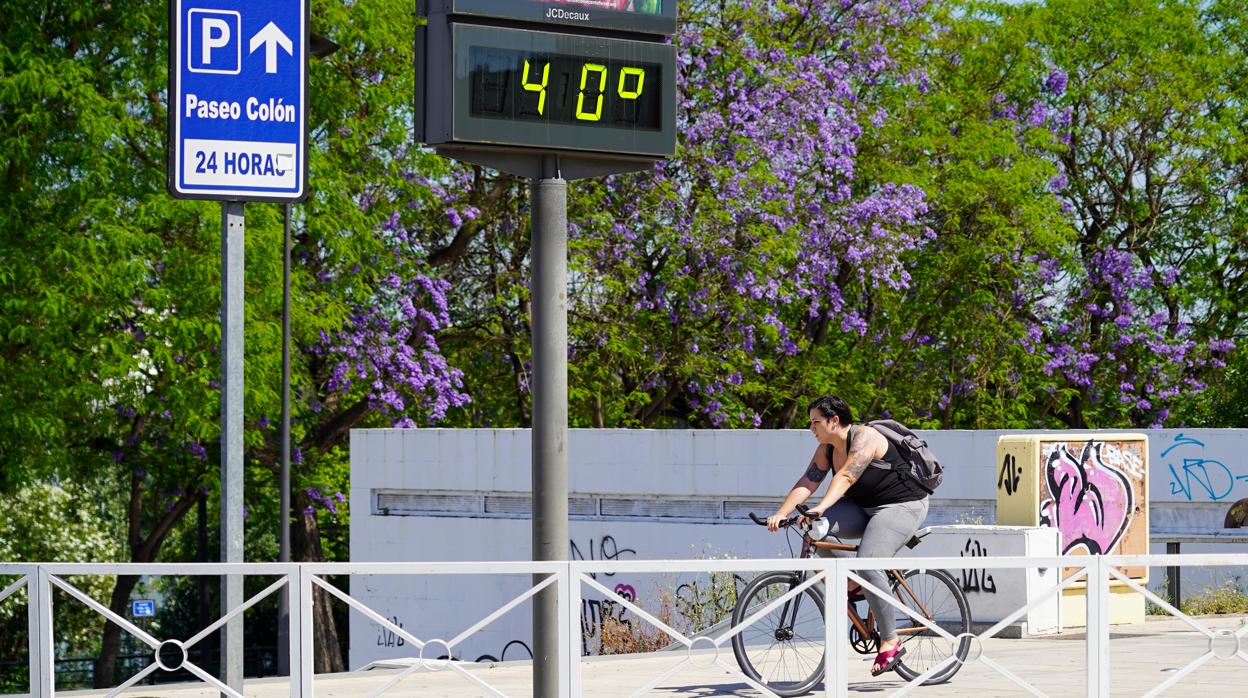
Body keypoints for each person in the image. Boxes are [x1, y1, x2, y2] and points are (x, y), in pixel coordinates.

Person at [766, 395, 930, 677]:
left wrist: (820, 507)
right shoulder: (826, 449)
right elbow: (807, 481)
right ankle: (854, 584)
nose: (811, 428)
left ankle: (891, 640)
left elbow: (847, 477)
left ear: (834, 420)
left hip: (901, 506)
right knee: (813, 529)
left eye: (815, 422)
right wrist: (781, 513)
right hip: (863, 508)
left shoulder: (866, 437)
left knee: (868, 561)